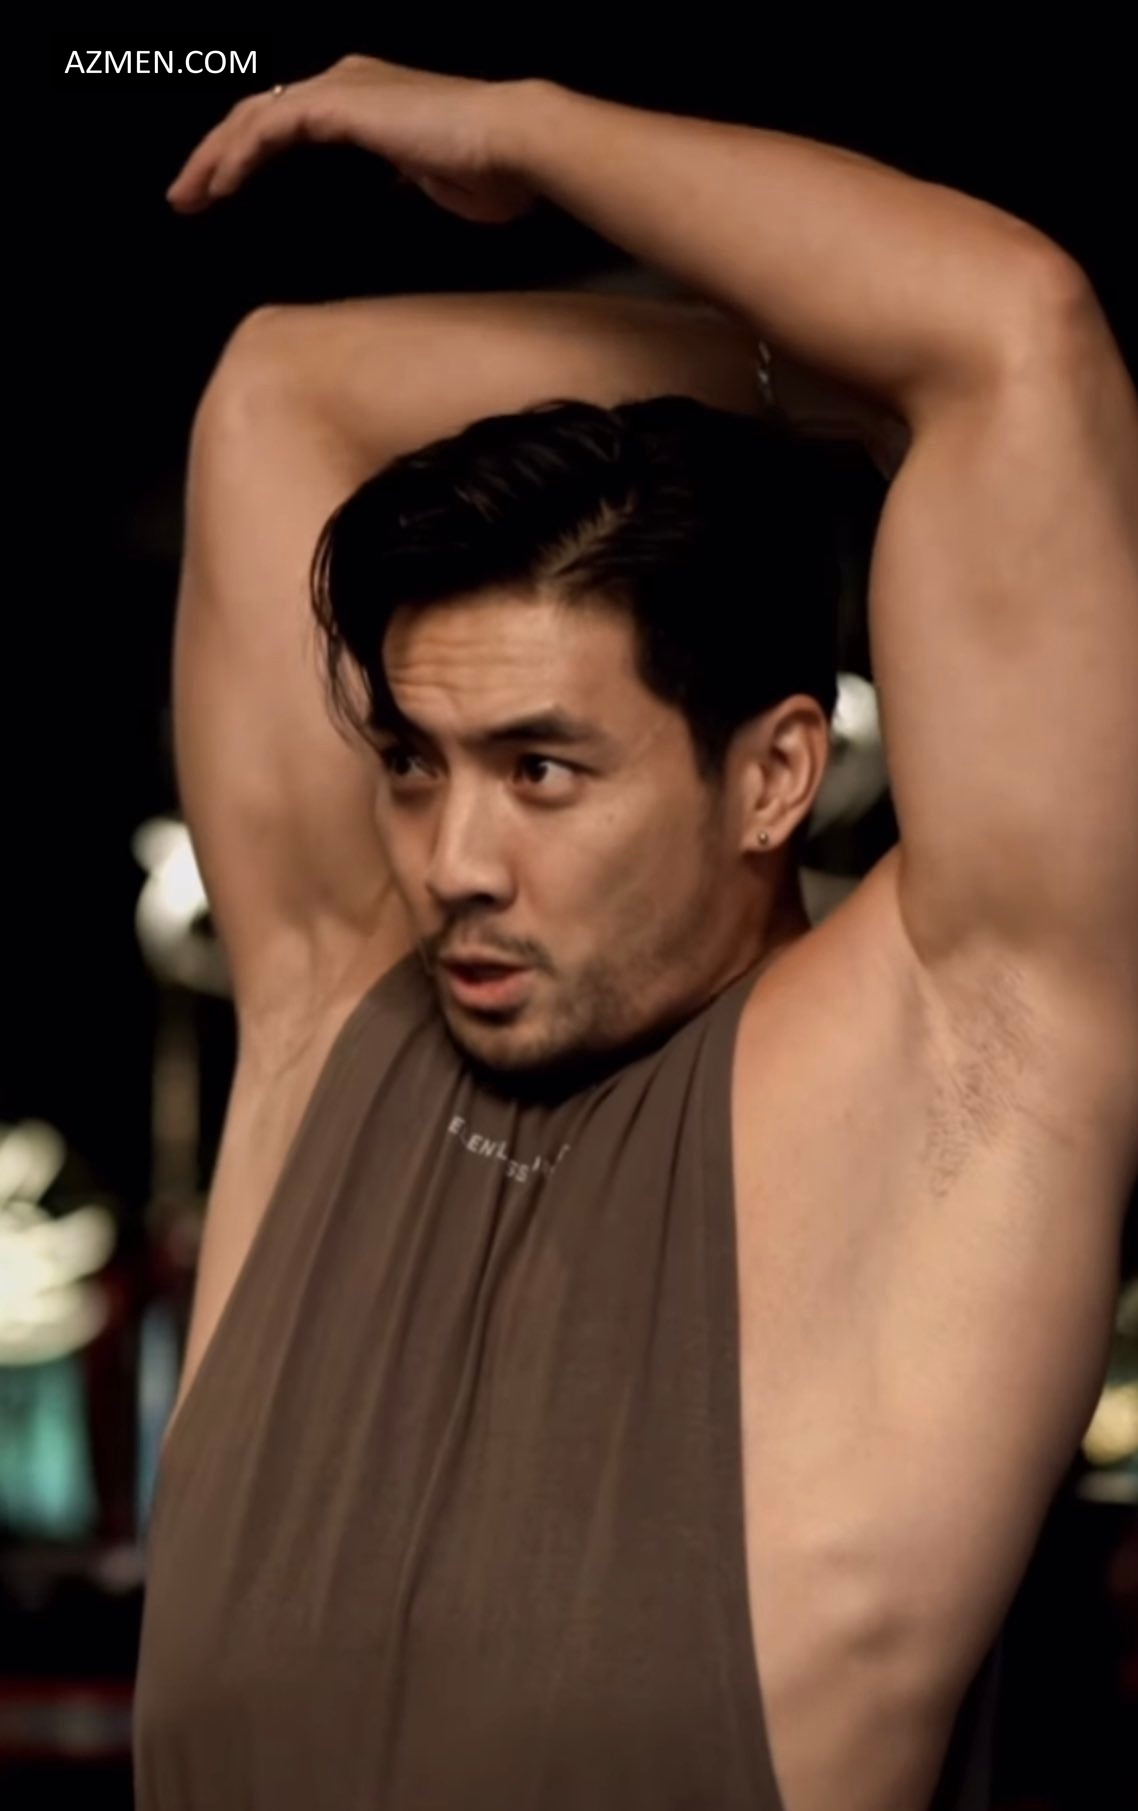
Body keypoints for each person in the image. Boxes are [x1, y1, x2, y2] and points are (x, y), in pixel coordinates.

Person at [131, 56, 1138, 1811]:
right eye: (413, 763)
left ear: (773, 777)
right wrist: (810, 401)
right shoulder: (332, 1000)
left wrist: (524, 129)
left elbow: (1005, 337)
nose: (452, 858)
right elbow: (279, 389)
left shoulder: (955, 1061)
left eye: (542, 770)